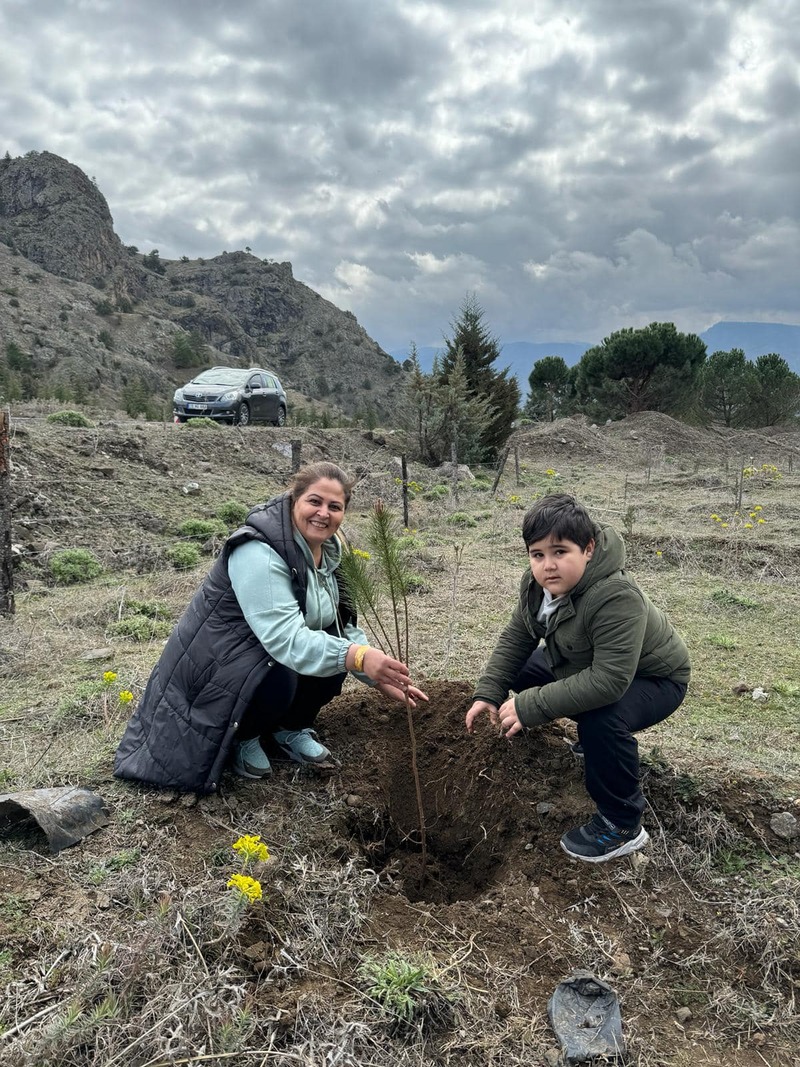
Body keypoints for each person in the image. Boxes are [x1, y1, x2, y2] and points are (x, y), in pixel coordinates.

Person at [115, 461, 427, 794]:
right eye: (314, 501)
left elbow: (342, 626)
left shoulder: (331, 555)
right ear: (295, 500)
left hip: (263, 657)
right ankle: (244, 735)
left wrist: (375, 674)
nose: (323, 513)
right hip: (217, 669)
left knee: (335, 653)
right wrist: (359, 656)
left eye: (335, 506)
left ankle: (288, 729)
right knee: (282, 674)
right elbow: (283, 639)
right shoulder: (258, 551)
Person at [465, 493, 690, 863]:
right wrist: (488, 692)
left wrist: (530, 705)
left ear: (587, 548)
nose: (548, 566)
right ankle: (597, 744)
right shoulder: (537, 585)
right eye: (537, 555)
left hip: (655, 679)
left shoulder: (615, 595)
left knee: (603, 718)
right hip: (586, 664)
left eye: (560, 552)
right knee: (523, 669)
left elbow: (610, 681)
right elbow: (518, 637)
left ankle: (622, 825)